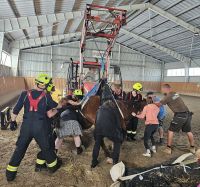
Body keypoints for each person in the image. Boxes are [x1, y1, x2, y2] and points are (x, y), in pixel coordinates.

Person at [6, 74, 62, 182]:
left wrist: (12, 121)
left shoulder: (24, 94)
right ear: (45, 85)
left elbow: (16, 110)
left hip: (26, 126)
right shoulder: (46, 96)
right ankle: (53, 166)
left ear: (36, 83)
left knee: (20, 149)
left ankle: (10, 174)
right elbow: (55, 108)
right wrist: (59, 107)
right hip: (40, 127)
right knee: (46, 148)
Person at [155, 84, 195, 154]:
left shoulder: (168, 96)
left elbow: (159, 104)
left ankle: (168, 148)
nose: (161, 90)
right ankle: (192, 148)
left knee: (170, 131)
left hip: (180, 115)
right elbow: (172, 100)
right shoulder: (175, 93)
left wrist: (152, 102)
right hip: (187, 114)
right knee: (188, 131)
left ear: (165, 89)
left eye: (162, 89)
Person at [91, 100, 123, 168]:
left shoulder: (99, 110)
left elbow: (96, 121)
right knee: (117, 141)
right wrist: (120, 132)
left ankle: (94, 161)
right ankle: (115, 161)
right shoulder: (115, 110)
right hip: (110, 129)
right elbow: (118, 122)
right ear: (112, 105)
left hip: (99, 129)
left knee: (97, 143)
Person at [55, 90, 84, 155]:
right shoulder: (74, 105)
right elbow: (76, 103)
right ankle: (79, 150)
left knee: (60, 137)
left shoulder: (61, 106)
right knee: (76, 135)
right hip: (72, 120)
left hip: (62, 120)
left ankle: (55, 150)